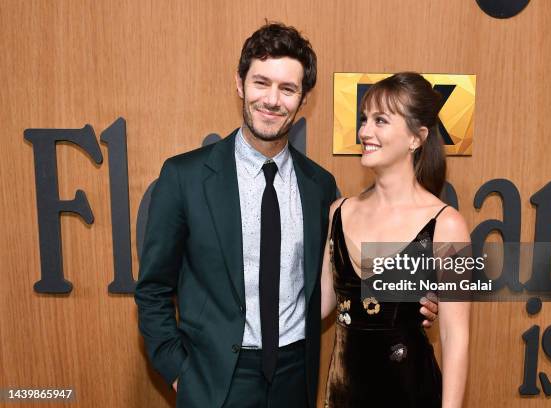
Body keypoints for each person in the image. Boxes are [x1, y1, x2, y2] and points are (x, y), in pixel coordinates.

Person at [135, 23, 439, 408]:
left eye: (288, 89)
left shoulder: (320, 188)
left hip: (295, 376)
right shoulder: (185, 178)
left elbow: (343, 279)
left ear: (302, 99)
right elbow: (153, 289)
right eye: (261, 82)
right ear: (239, 84)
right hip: (213, 379)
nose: (272, 100)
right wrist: (180, 372)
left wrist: (409, 298)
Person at [321, 72, 470, 408]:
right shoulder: (339, 213)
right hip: (344, 398)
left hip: (413, 395)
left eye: (380, 120)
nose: (364, 132)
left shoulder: (447, 225)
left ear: (416, 138)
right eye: (364, 120)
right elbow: (320, 305)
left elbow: (455, 336)